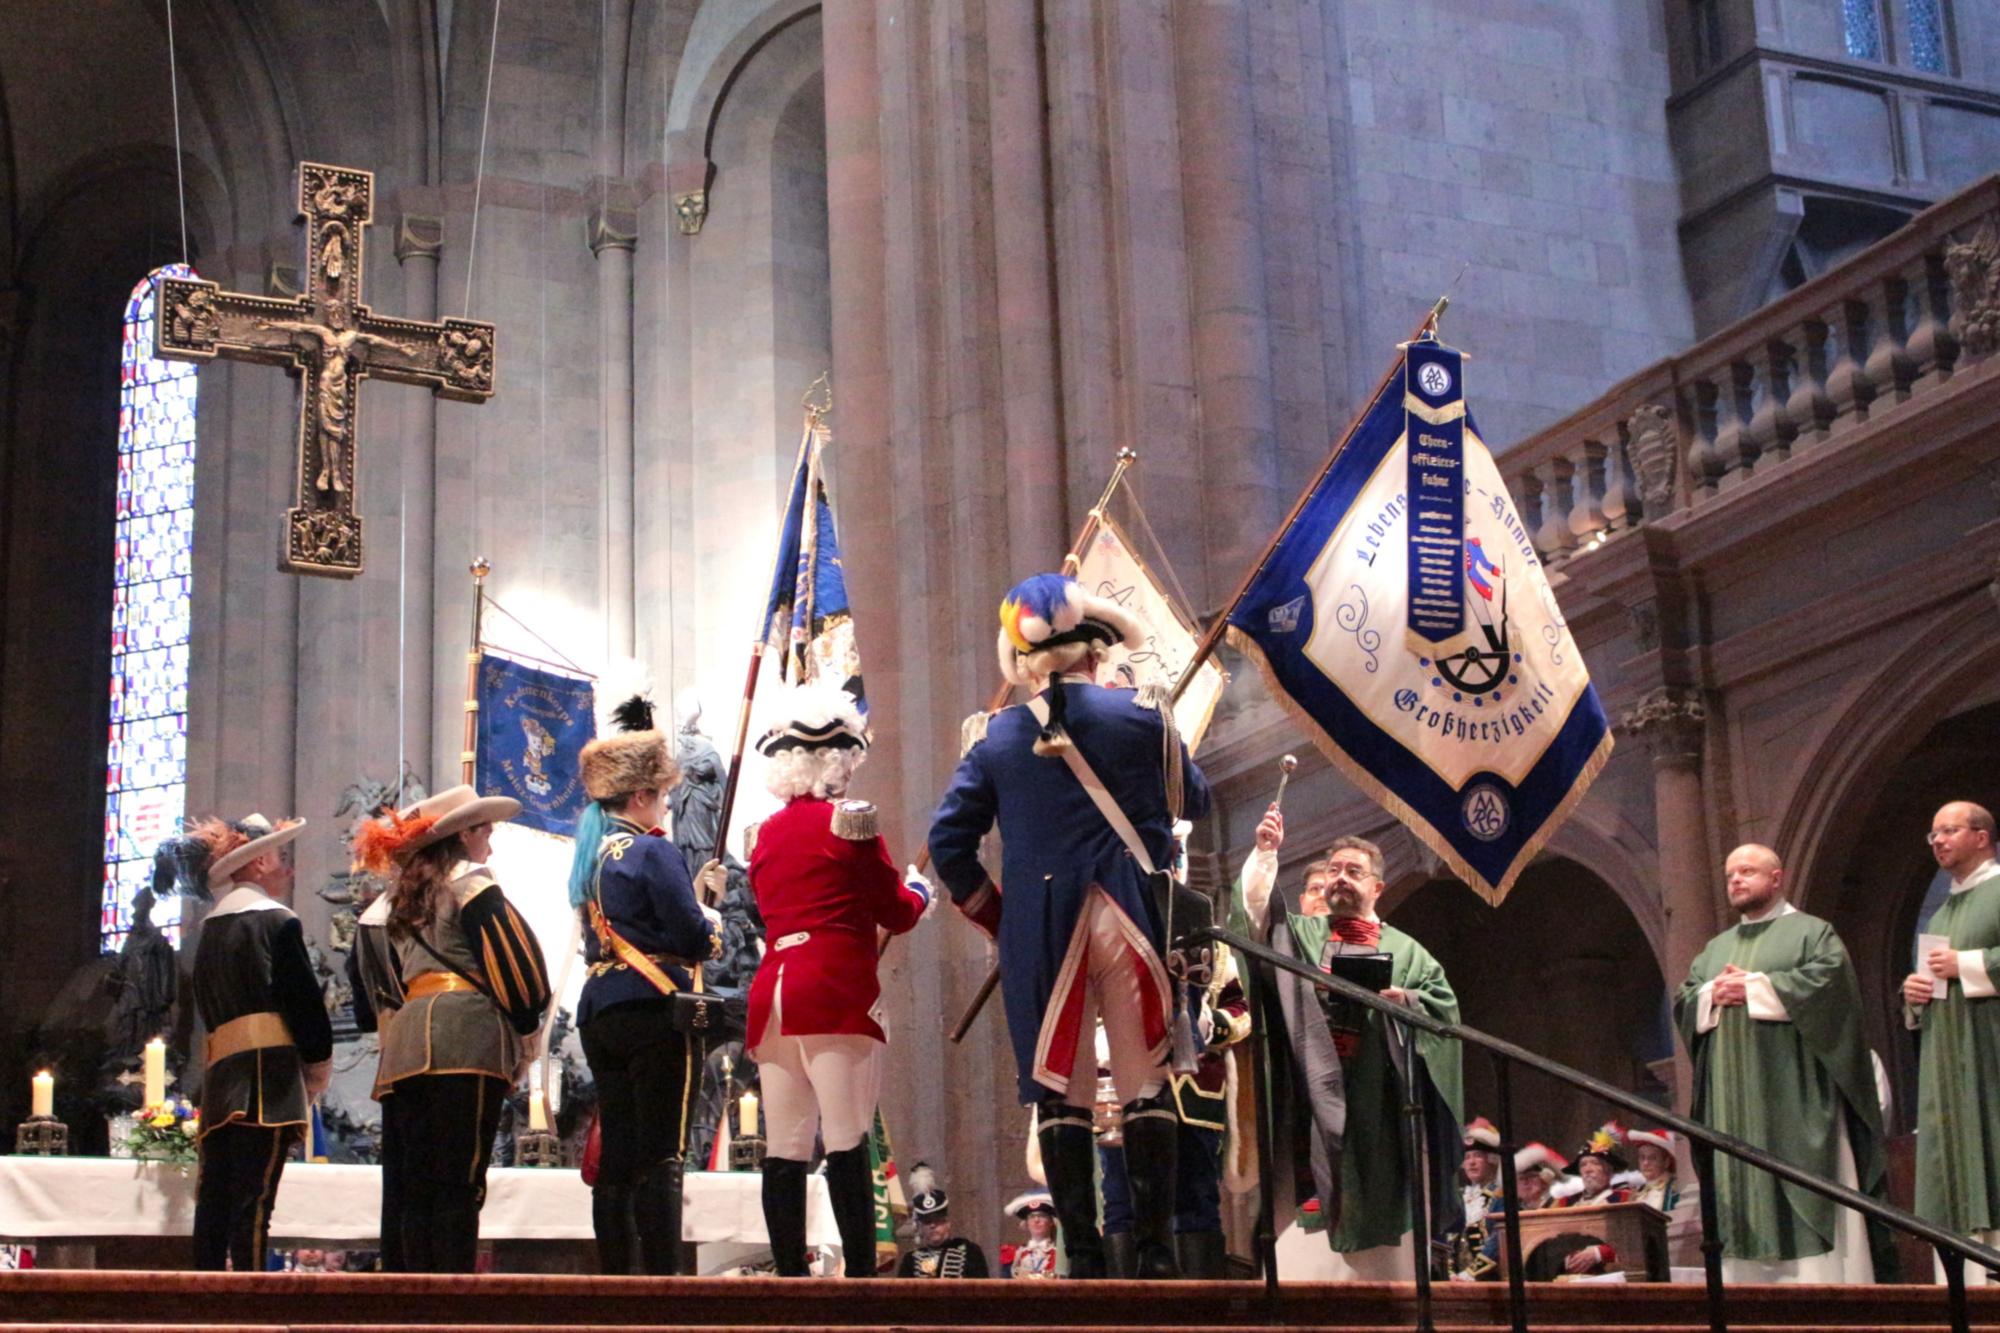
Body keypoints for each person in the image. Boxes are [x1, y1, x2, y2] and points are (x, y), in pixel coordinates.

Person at [930, 573, 1211, 1278]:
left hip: (1044, 929)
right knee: (1145, 1079)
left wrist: (1002, 917)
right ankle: (1152, 1255)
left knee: (1061, 1088)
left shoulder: (993, 739)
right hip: (1132, 914)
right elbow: (1195, 801)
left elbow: (947, 845)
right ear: (1097, 651)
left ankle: (1083, 1256)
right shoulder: (1143, 716)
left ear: (1026, 660)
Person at [747, 682, 934, 1278]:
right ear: (835, 760)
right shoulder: (850, 824)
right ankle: (858, 1279)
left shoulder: (763, 835)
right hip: (833, 989)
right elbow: (896, 911)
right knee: (850, 1137)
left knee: (785, 1147)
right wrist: (920, 890)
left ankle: (789, 1277)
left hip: (774, 990)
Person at [1238, 809, 1463, 1281]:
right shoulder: (1303, 934)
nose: (1341, 879)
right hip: (1312, 1098)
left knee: (1386, 1236)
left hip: (1379, 1099)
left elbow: (1445, 1011)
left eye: (1354, 872)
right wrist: (1265, 853)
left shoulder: (1407, 951)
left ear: (1377, 888)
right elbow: (1258, 918)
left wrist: (1406, 1001)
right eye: (1334, 871)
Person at [352, 784, 551, 1273]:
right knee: (458, 1184)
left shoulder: (394, 904)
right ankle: (452, 1301)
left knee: (414, 1187)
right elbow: (519, 970)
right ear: (462, 835)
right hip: (465, 1041)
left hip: (404, 1046)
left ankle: (411, 1299)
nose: (490, 840)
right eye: (484, 829)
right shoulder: (474, 885)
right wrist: (526, 1024)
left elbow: (368, 989)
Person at [1676, 842, 1887, 1284]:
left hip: (1794, 1099)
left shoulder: (1813, 933)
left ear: (1776, 878)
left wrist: (1753, 988)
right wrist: (1711, 995)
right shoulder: (1715, 949)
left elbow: (1832, 989)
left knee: (1808, 1187)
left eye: (1748, 871)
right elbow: (1684, 999)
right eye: (1731, 874)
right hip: (1733, 1107)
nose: (1736, 880)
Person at [569, 694, 722, 1275]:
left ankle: (616, 1278)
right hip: (652, 1009)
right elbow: (689, 937)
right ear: (639, 796)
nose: (664, 804)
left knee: (619, 1155)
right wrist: (709, 918)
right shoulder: (653, 851)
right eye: (659, 795)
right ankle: (662, 1282)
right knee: (662, 1150)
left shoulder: (589, 859)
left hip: (602, 1008)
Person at [175, 813, 332, 1272]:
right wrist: (317, 1068)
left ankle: (204, 1302)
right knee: (255, 1203)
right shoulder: (276, 921)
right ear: (261, 862)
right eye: (282, 858)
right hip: (268, 1080)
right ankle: (251, 1308)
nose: (289, 868)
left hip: (221, 1079)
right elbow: (303, 1004)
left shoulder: (209, 930)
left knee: (215, 1201)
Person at [1903, 800, 2000, 1283]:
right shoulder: (1938, 913)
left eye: (1949, 831)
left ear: (1981, 837)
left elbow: (1960, 966)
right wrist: (1915, 995)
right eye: (1933, 834)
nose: (1937, 841)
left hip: (1991, 1050)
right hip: (1949, 1057)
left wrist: (1968, 965)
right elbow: (1930, 983)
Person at [896, 1183, 990, 1278]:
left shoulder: (970, 1252)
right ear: (920, 1227)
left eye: (937, 1220)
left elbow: (981, 1288)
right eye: (927, 1221)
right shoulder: (911, 1260)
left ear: (947, 1223)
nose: (932, 1225)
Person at [1560, 1122, 1634, 1209]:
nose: (1588, 1169)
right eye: (1583, 1165)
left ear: (1609, 1171)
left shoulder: (1623, 1200)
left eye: (1595, 1163)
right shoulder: (1565, 1203)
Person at [1004, 1191, 1062, 1279]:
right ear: (1026, 1223)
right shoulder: (1018, 1253)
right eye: (1031, 1216)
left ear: (1051, 1222)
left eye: (1042, 1216)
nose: (1036, 1220)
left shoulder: (1059, 1253)